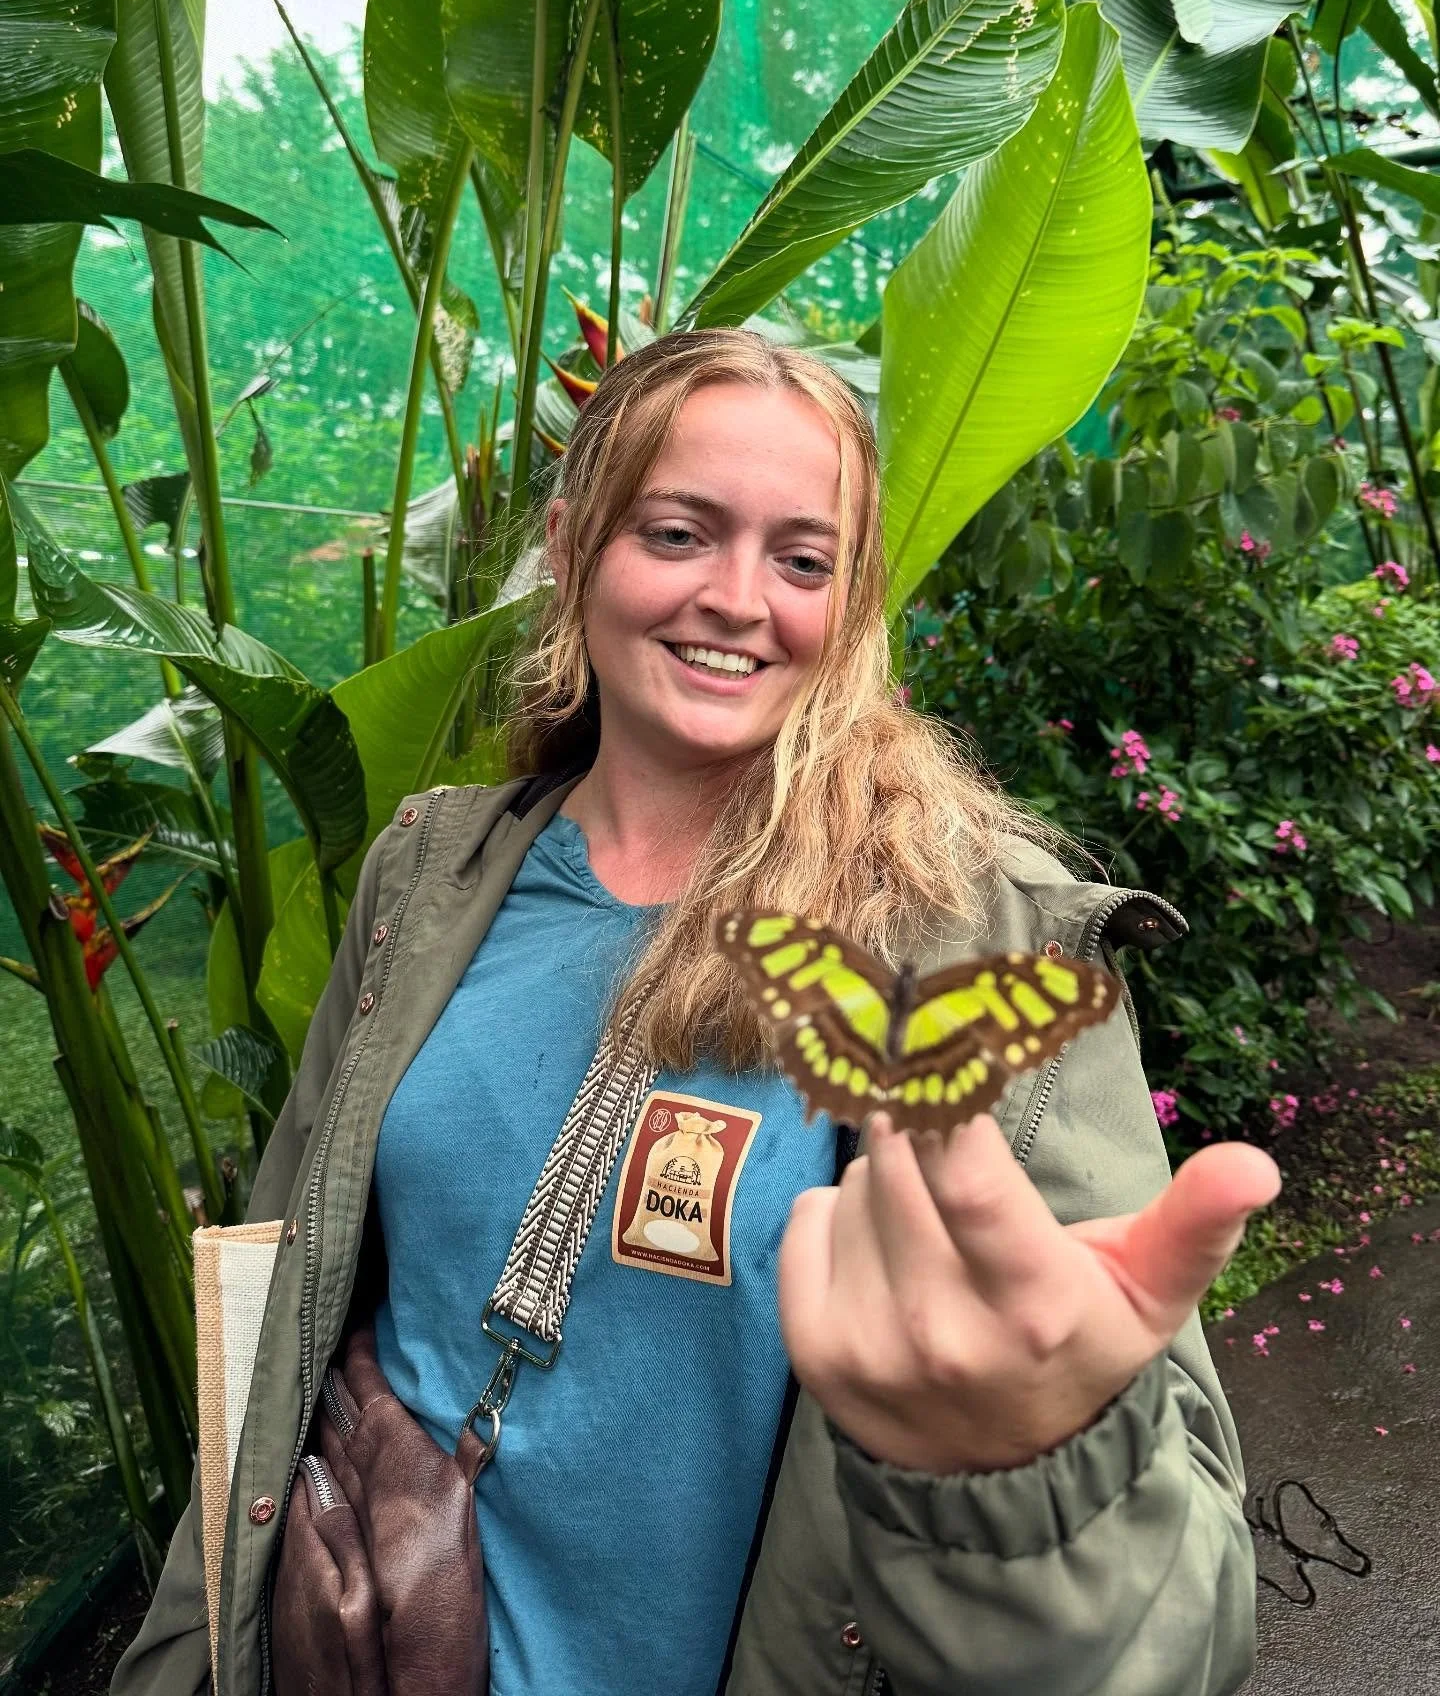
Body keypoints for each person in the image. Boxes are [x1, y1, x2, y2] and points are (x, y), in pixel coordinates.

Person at [114, 328, 1279, 1696]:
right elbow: (287, 1319)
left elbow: (1180, 1644)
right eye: (679, 533)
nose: (738, 598)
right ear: (571, 544)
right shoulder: (429, 876)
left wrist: (1033, 1466)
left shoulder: (977, 945)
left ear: (852, 604)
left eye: (803, 560)